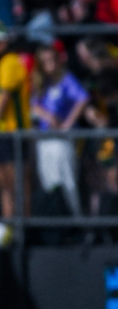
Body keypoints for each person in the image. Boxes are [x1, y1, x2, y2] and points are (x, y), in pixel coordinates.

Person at [31, 45, 89, 216]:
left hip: (62, 140)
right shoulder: (42, 83)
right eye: (45, 62)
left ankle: (75, 220)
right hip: (45, 138)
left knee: (67, 181)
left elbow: (82, 98)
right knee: (48, 181)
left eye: (52, 60)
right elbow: (33, 106)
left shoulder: (66, 79)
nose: (50, 66)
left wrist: (67, 124)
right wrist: (47, 116)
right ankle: (56, 221)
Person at [0, 26, 29, 219]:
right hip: (4, 134)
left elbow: (2, 103)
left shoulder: (10, 62)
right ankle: (9, 228)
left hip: (14, 133)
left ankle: (24, 229)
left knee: (17, 185)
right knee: (5, 184)